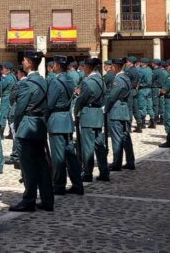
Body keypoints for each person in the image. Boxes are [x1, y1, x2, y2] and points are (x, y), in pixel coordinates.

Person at [9, 50, 54, 212]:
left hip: (27, 126)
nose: (22, 62)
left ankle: (29, 200)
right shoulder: (43, 81)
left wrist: (16, 126)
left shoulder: (26, 83)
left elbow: (19, 108)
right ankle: (48, 199)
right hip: (40, 124)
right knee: (42, 163)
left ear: (29, 63)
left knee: (27, 166)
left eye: (24, 60)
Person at [46, 55, 83, 196]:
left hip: (56, 119)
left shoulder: (56, 81)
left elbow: (50, 104)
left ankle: (59, 184)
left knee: (58, 156)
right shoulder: (69, 79)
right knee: (70, 154)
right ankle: (77, 183)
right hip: (66, 118)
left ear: (56, 65)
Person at [73, 58, 109, 182]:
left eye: (84, 67)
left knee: (87, 146)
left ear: (88, 67)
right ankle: (104, 171)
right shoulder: (101, 80)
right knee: (100, 145)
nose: (83, 69)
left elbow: (81, 99)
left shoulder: (87, 82)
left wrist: (75, 111)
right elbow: (105, 96)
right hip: (98, 113)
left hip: (88, 114)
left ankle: (87, 173)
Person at [105, 58, 135, 171]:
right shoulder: (126, 77)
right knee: (126, 137)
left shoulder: (118, 79)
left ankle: (117, 163)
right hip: (124, 109)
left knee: (117, 138)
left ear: (117, 67)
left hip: (116, 110)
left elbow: (112, 96)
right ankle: (130, 161)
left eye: (112, 66)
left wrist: (105, 108)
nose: (111, 68)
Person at [124, 57, 142, 133]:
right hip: (134, 90)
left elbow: (126, 82)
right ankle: (139, 125)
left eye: (127, 62)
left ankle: (128, 127)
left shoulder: (129, 70)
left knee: (129, 109)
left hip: (130, 91)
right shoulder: (136, 70)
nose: (126, 63)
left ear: (130, 62)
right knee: (135, 108)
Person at [0, 62, 16, 142]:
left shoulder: (8, 78)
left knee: (3, 116)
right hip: (11, 99)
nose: (2, 70)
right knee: (10, 116)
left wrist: (1, 79)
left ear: (7, 70)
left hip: (6, 98)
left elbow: (2, 86)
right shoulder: (13, 76)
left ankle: (1, 134)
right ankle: (11, 133)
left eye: (3, 68)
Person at [137, 58, 155, 128]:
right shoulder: (150, 69)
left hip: (142, 89)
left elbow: (139, 80)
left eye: (141, 62)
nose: (140, 63)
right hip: (149, 89)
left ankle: (142, 123)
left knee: (142, 106)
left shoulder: (141, 70)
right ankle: (153, 122)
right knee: (149, 106)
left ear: (143, 63)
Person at [151, 59, 165, 126]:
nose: (152, 64)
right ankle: (162, 118)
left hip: (155, 88)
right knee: (161, 103)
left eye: (153, 63)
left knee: (155, 104)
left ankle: (155, 118)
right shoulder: (162, 71)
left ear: (155, 64)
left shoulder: (155, 71)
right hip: (161, 88)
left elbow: (151, 79)